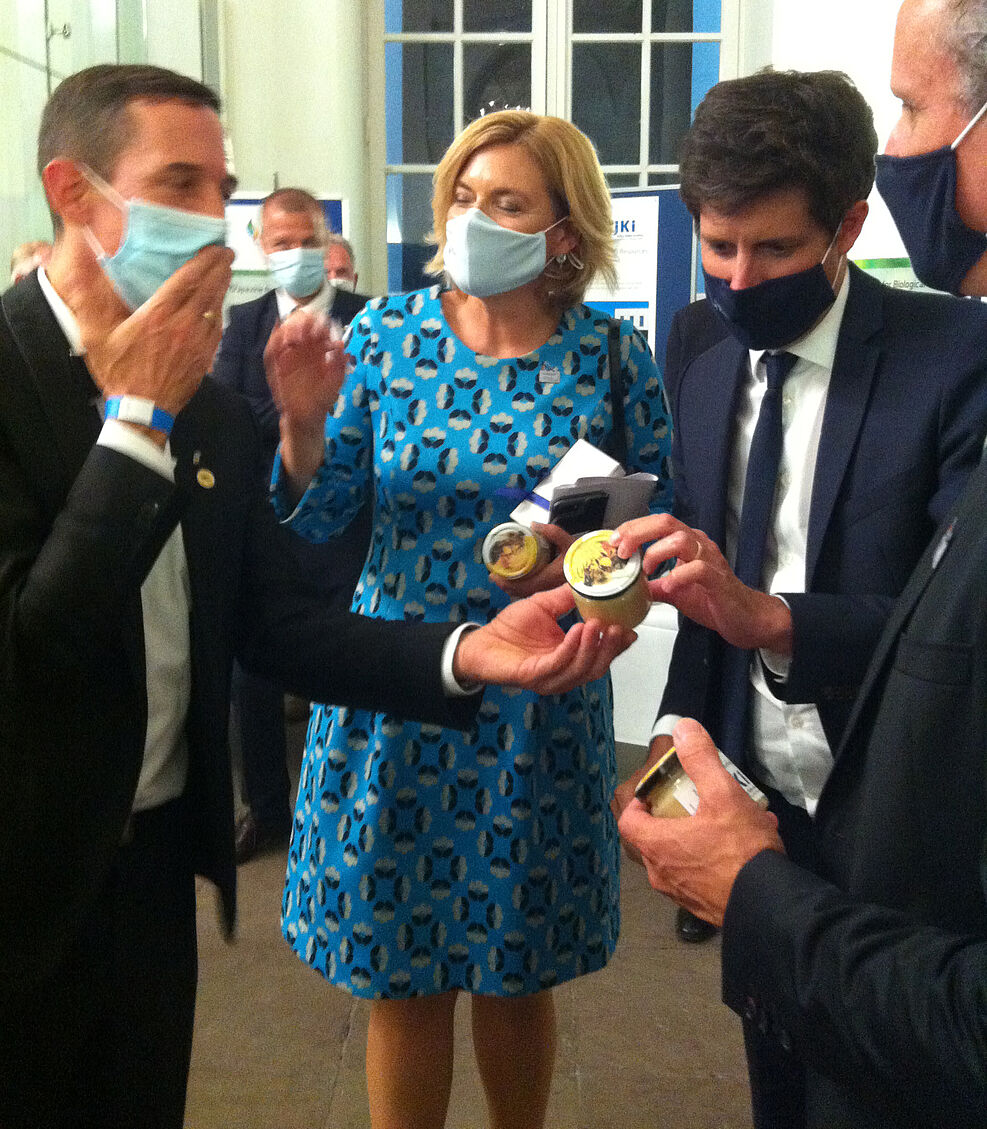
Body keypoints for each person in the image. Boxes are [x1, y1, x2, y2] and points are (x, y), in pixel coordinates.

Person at [0, 64, 634, 1129]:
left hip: (167, 860)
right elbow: (36, 646)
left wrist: (472, 652)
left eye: (220, 187)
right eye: (182, 183)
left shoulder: (204, 409)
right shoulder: (232, 381)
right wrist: (163, 427)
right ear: (74, 193)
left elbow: (271, 620)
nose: (218, 220)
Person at [618, 1, 987, 1125]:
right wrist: (610, 562)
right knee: (773, 1058)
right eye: (716, 244)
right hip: (730, 768)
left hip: (880, 801)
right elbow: (678, 505)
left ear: (846, 224)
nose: (737, 277)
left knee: (875, 1074)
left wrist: (766, 615)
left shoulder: (954, 357)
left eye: (773, 248)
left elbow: (947, 637)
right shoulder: (696, 338)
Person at [266, 109, 673, 1129]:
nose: (472, 216)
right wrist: (303, 427)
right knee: (401, 979)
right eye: (462, 194)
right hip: (399, 684)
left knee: (515, 969)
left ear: (562, 231)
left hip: (537, 697)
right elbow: (318, 515)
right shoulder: (389, 337)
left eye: (506, 202)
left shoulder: (611, 359)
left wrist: (582, 565)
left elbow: (639, 510)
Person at [213, 188, 372, 863]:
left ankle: (350, 809)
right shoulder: (244, 324)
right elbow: (227, 414)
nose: (294, 254)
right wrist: (296, 412)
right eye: (279, 243)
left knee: (354, 670)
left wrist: (320, 414)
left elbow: (381, 419)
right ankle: (269, 812)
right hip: (270, 527)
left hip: (351, 533)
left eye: (305, 241)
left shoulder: (370, 320)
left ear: (325, 242)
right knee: (254, 678)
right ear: (261, 247)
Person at [324, 231, 368, 300]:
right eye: (325, 272)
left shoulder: (371, 309)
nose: (333, 278)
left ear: (355, 281)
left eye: (341, 272)